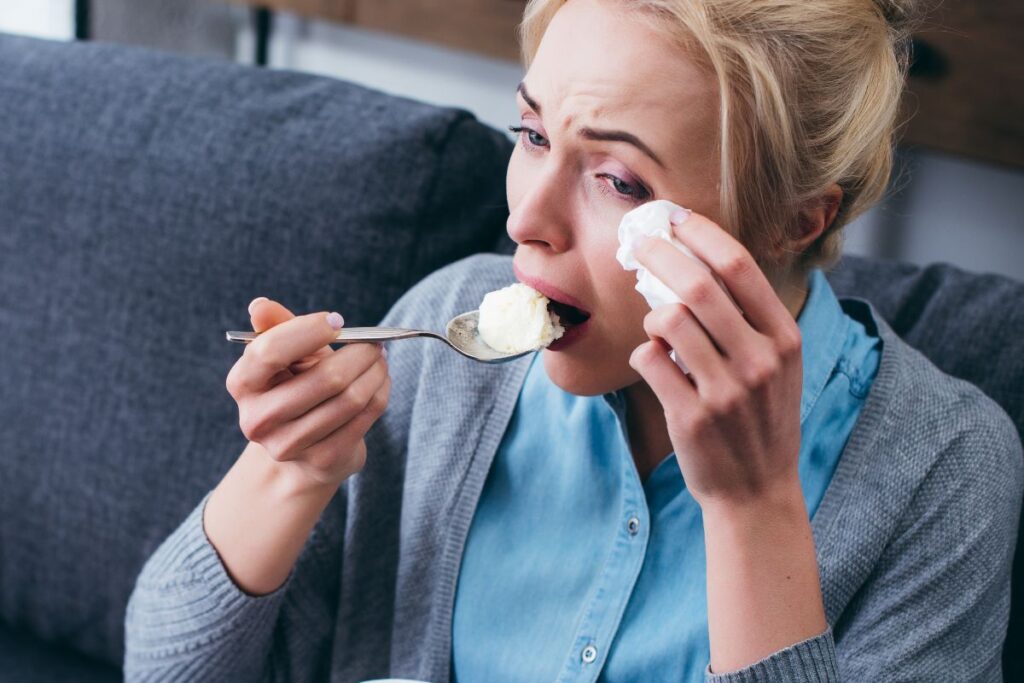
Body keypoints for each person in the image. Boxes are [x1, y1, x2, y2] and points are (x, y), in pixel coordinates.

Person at [124, 0, 1024, 681]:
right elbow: (165, 667)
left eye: (619, 178)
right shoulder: (450, 346)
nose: (524, 217)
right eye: (531, 133)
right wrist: (287, 467)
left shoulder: (945, 470)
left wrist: (754, 508)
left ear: (793, 219)